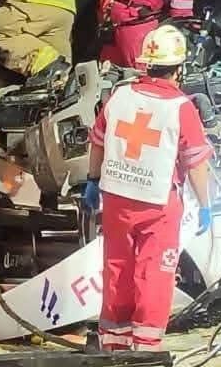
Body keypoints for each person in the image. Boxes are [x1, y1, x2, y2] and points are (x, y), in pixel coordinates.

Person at [82, 25, 214, 352]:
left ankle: (113, 345)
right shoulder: (181, 107)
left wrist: (93, 181)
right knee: (154, 275)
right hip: (158, 205)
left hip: (115, 199)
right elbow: (196, 162)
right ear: (179, 68)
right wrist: (206, 204)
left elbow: (97, 144)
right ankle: (146, 347)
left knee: (117, 270)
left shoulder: (120, 96)